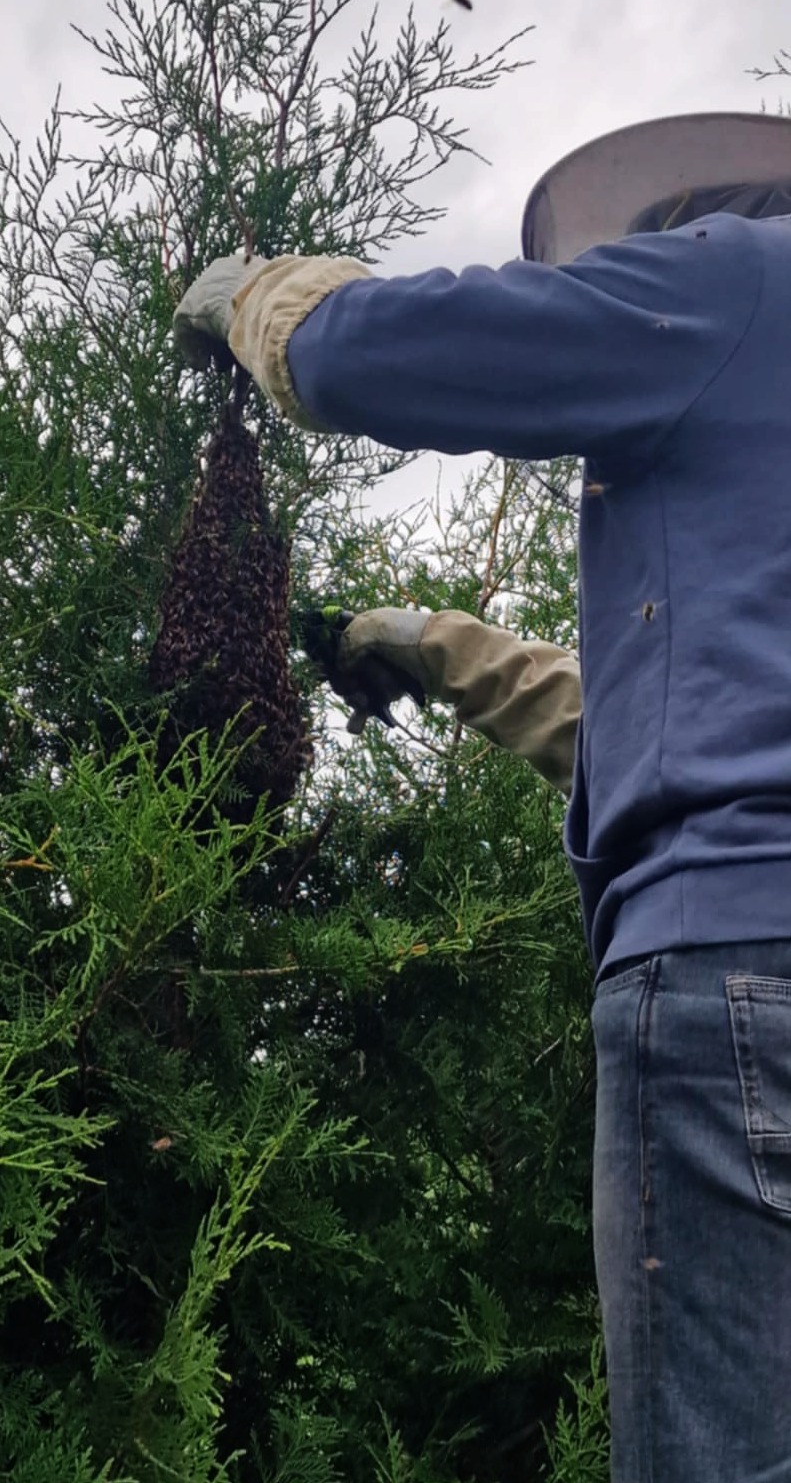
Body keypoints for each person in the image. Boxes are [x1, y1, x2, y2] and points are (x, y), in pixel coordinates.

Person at [174, 112, 791, 1483]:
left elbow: (383, 352)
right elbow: (698, 714)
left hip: (746, 980)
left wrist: (265, 304)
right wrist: (444, 647)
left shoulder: (744, 276)